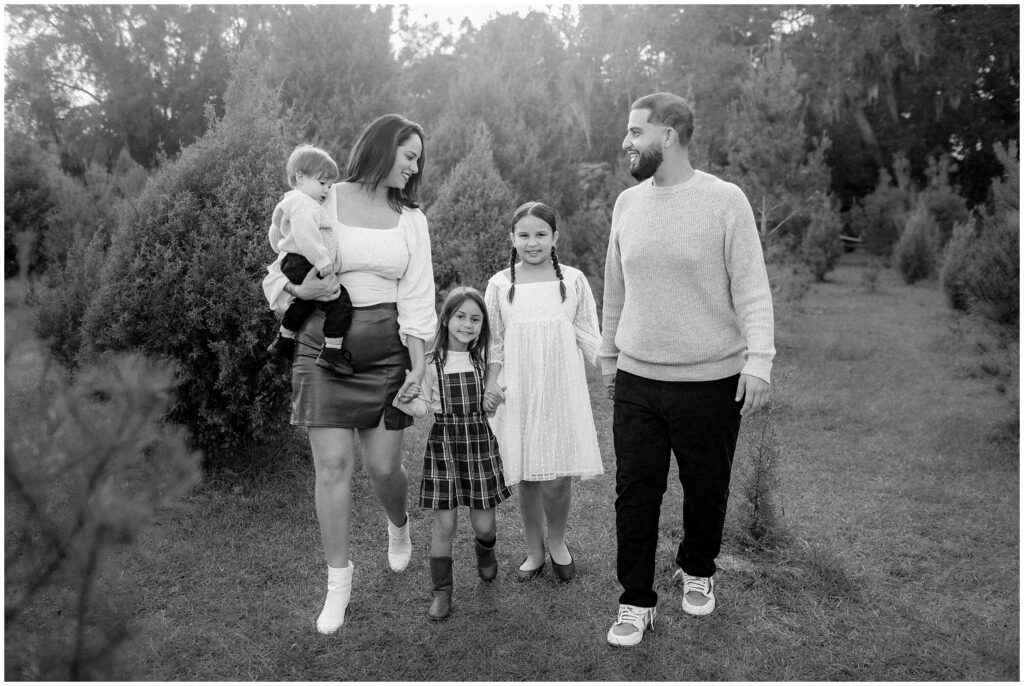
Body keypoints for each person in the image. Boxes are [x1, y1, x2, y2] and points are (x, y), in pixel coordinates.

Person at [601, 92, 775, 647]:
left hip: (710, 380)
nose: (626, 141)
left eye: (636, 131)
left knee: (706, 489)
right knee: (635, 494)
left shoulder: (725, 201)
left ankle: (697, 570)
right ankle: (636, 601)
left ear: (669, 134)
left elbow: (751, 287)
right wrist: (609, 356)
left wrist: (760, 361)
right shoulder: (627, 205)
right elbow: (614, 288)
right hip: (637, 380)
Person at [261, 114, 436, 635]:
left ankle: (398, 526)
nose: (414, 166)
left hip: (387, 354)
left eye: (418, 159)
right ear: (382, 150)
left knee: (385, 469)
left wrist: (419, 363)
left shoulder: (411, 220)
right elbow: (280, 264)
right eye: (408, 156)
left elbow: (419, 297)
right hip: (322, 349)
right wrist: (297, 293)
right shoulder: (323, 198)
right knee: (332, 468)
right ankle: (338, 582)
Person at [483, 201, 603, 584]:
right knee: (528, 474)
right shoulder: (501, 285)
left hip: (560, 386)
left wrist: (615, 370)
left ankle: (557, 541)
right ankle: (534, 549)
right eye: (524, 235)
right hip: (518, 388)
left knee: (557, 476)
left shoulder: (574, 281)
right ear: (511, 238)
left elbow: (588, 334)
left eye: (540, 234)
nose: (532, 242)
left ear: (555, 238)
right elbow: (495, 343)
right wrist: (491, 382)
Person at [399, 286, 513, 621]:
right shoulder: (432, 364)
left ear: (482, 326)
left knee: (484, 524)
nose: (468, 324)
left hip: (478, 444)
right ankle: (441, 592)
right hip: (445, 445)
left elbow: (489, 409)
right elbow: (423, 406)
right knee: (444, 524)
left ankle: (486, 551)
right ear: (446, 319)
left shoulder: (483, 365)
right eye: (461, 316)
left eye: (475, 319)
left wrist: (493, 402)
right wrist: (410, 400)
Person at [265, 144, 355, 375]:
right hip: (306, 261)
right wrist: (324, 264)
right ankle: (331, 352)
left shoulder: (290, 201)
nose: (327, 189)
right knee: (339, 299)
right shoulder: (305, 205)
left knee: (304, 302)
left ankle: (283, 340)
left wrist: (279, 247)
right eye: (322, 183)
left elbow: (275, 230)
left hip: (294, 261)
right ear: (301, 177)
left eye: (330, 185)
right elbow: (307, 237)